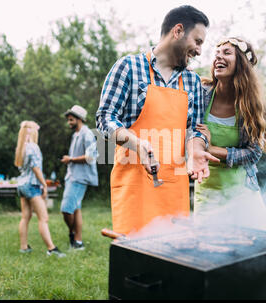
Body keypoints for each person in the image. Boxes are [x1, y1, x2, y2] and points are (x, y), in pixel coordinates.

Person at [96, 5, 218, 235]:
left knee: (173, 265)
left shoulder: (192, 82)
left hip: (174, 191)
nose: (200, 51)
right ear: (178, 31)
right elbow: (105, 118)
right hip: (134, 190)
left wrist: (196, 149)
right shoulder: (128, 67)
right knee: (134, 266)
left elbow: (195, 130)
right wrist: (136, 144)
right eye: (198, 41)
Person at [195, 37, 266, 230]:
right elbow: (187, 133)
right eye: (216, 54)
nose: (218, 57)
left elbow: (253, 153)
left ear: (241, 64)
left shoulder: (251, 105)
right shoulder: (200, 94)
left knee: (252, 251)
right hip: (208, 193)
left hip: (243, 193)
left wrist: (212, 149)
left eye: (226, 53)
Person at [14, 121, 66, 257]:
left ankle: (24, 247)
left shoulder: (21, 148)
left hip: (22, 184)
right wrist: (44, 184)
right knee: (43, 218)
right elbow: (36, 168)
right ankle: (51, 249)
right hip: (32, 185)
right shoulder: (33, 147)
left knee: (25, 217)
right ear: (33, 132)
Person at [60, 105, 99, 250]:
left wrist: (70, 159)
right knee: (75, 209)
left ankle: (72, 232)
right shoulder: (75, 134)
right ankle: (78, 242)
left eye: (71, 120)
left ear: (79, 119)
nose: (69, 123)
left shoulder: (86, 134)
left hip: (80, 178)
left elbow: (90, 157)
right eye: (68, 120)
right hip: (72, 176)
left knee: (66, 209)